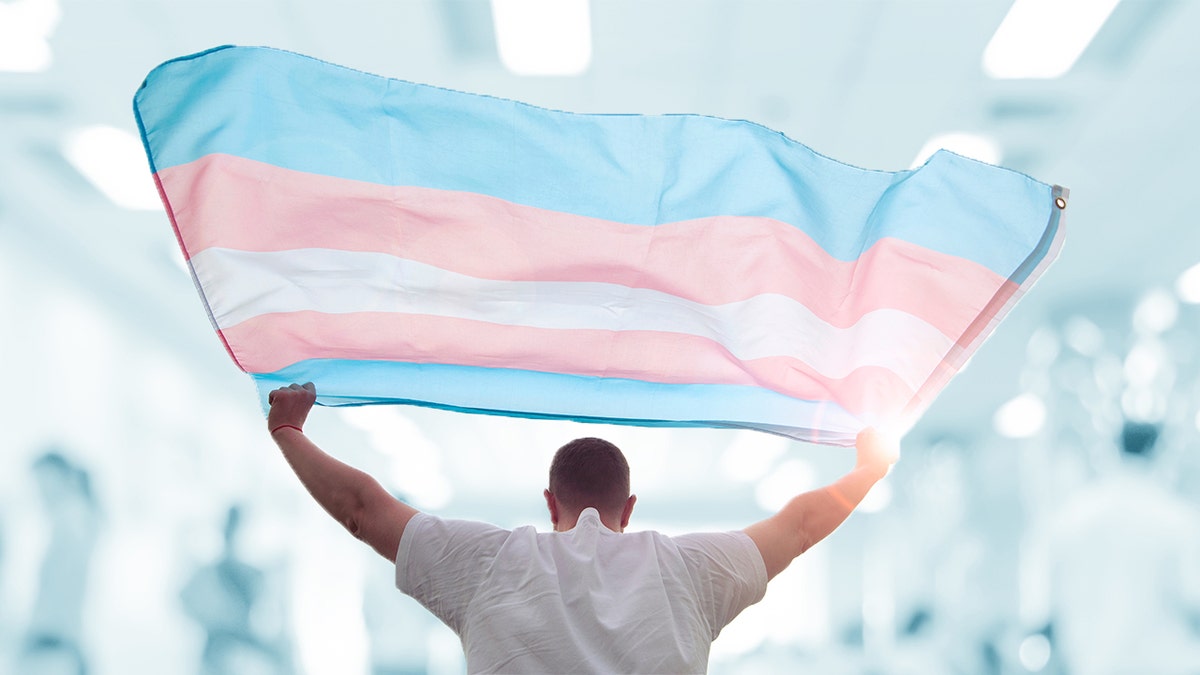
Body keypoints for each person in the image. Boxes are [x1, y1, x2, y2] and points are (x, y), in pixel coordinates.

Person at [266, 382, 897, 673]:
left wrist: (289, 430)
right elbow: (801, 526)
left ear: (549, 503)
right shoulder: (692, 573)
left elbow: (363, 510)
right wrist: (869, 468)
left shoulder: (490, 565)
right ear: (629, 509)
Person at [1036, 421, 1200, 675]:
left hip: (1090, 666)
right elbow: (1193, 600)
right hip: (1164, 666)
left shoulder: (1071, 518)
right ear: (1160, 450)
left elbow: (1047, 611)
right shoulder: (1175, 519)